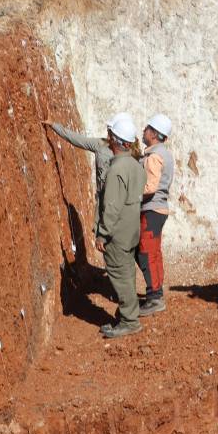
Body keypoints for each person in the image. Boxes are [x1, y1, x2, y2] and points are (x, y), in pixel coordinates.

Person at [96, 114, 148, 339]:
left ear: (114, 140)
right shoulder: (136, 165)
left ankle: (129, 321)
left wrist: (102, 234)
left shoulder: (117, 169)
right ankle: (131, 314)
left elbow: (112, 206)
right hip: (131, 229)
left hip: (117, 232)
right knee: (127, 273)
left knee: (119, 273)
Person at [44, 113, 131, 238]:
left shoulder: (131, 157)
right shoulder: (101, 144)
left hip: (118, 205)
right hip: (103, 201)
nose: (108, 133)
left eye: (110, 131)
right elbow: (78, 139)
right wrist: (54, 125)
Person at [137, 113, 175, 316]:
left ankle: (154, 298)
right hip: (159, 210)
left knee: (146, 253)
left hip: (151, 209)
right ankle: (156, 293)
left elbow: (150, 187)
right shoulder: (164, 153)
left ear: (153, 133)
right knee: (153, 253)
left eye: (146, 128)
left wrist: (131, 194)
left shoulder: (153, 157)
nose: (143, 131)